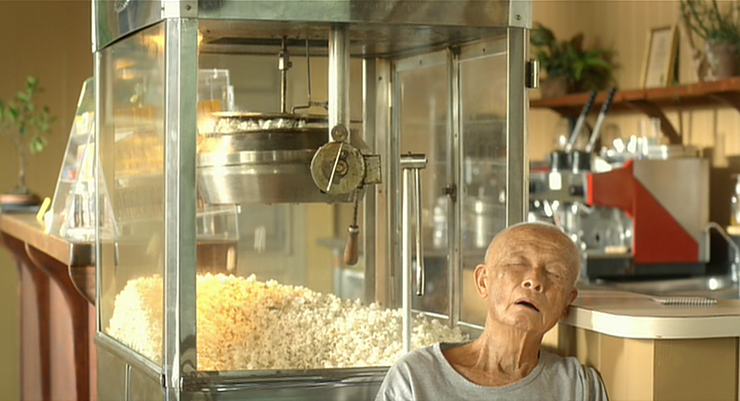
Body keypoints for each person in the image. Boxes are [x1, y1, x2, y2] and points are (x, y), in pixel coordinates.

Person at [375, 222, 608, 401]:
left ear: (567, 302)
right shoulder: (415, 378)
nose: (535, 281)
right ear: (483, 282)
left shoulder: (578, 386)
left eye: (555, 273)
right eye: (518, 264)